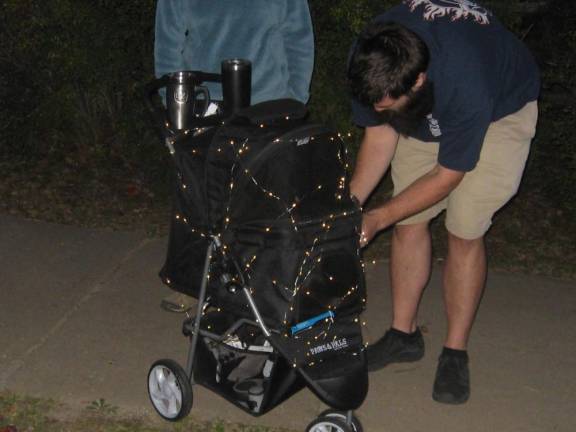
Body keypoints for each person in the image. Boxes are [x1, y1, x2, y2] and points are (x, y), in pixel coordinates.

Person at [347, 0, 539, 404]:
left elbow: (448, 175)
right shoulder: (372, 61)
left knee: (464, 227)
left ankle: (454, 351)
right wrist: (351, 208)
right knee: (408, 219)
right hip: (428, 104)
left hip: (498, 110)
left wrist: (376, 216)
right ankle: (404, 335)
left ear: (416, 81)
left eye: (388, 106)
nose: (380, 112)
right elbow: (380, 135)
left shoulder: (468, 75)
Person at [154, 0, 314, 312]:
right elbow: (168, 41)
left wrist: (295, 98)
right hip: (206, 100)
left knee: (262, 200)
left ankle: (264, 286)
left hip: (267, 102)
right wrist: (172, 101)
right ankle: (194, 284)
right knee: (199, 198)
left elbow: (298, 38)